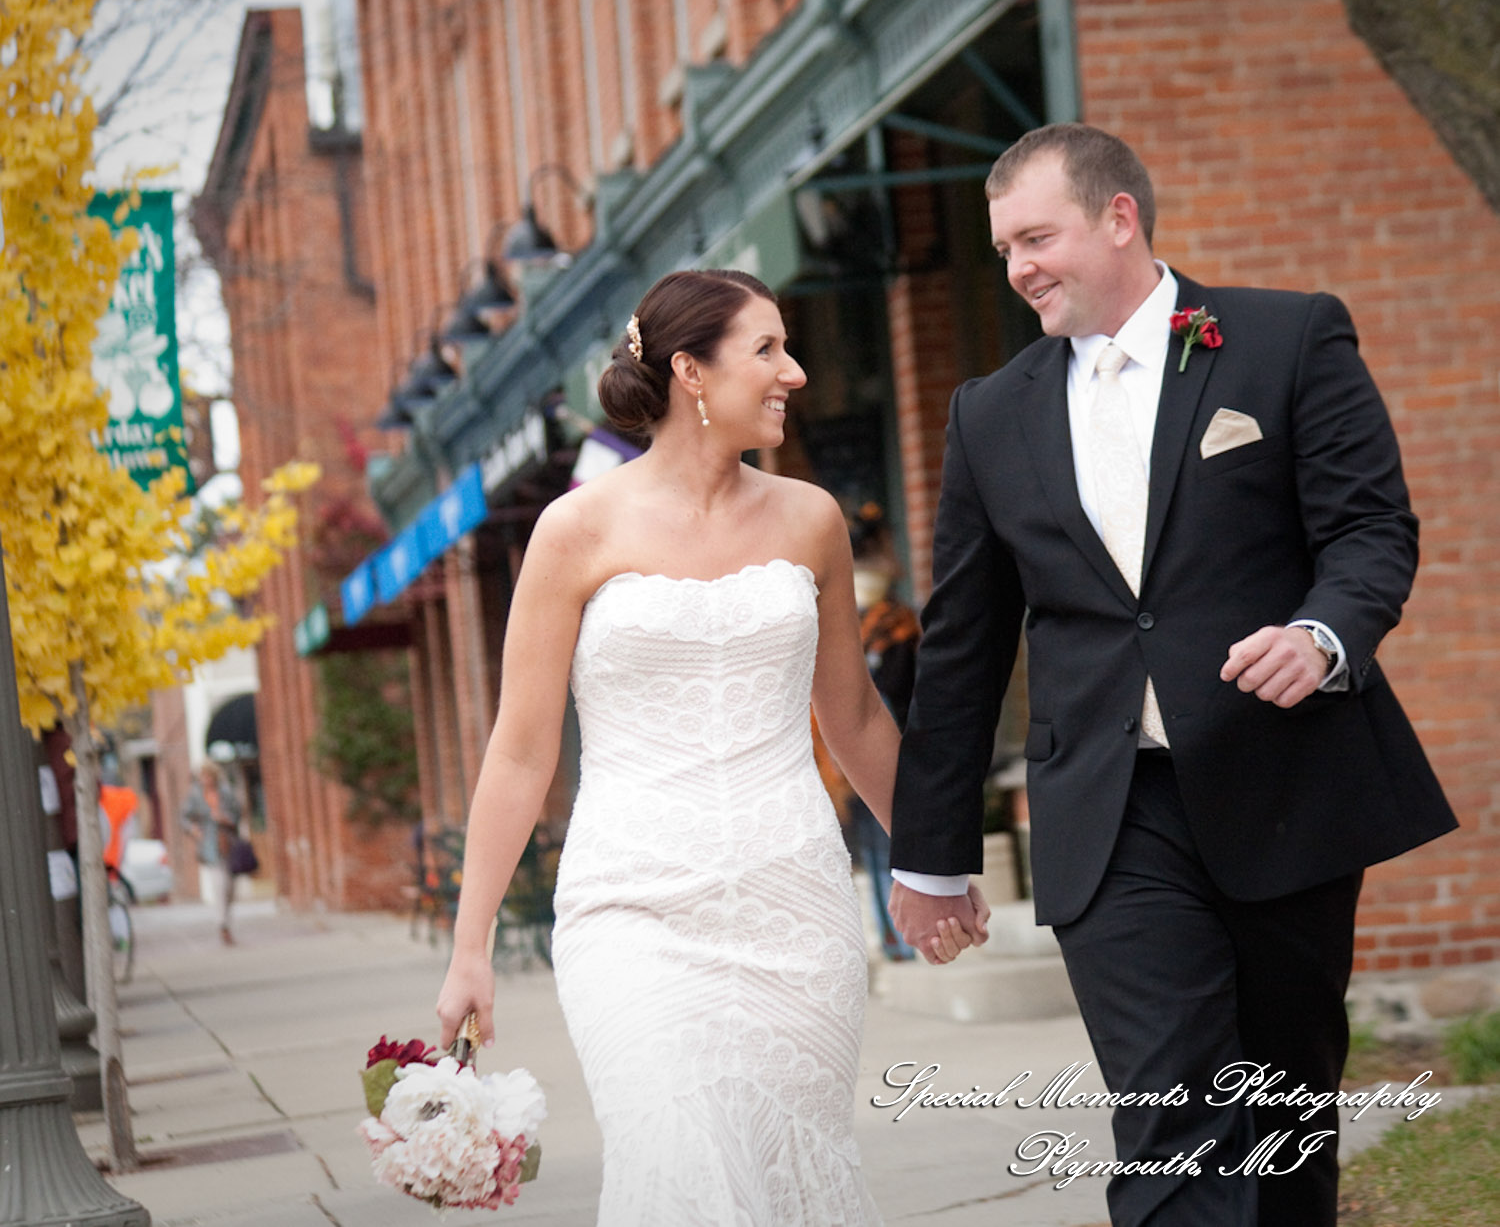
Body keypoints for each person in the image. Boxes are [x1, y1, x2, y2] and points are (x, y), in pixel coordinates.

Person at [888, 124, 1457, 1227]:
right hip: (1109, 809)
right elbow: (962, 644)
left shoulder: (1284, 339)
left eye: (1036, 237)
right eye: (1003, 248)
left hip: (1281, 785)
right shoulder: (990, 413)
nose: (1018, 270)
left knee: (1285, 1106)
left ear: (1118, 217)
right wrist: (931, 852)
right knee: (1170, 1119)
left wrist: (1323, 635)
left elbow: (1371, 531)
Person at [435, 269, 983, 1225]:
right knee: (677, 1159)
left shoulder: (810, 520)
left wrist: (933, 861)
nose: (796, 373)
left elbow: (852, 718)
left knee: (786, 1176)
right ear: (691, 369)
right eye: (767, 350)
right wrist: (468, 945)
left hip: (794, 910)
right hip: (631, 908)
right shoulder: (575, 530)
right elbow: (521, 754)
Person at [846, 504, 919, 962]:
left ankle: (897, 936)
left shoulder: (884, 623)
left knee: (879, 844)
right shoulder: (891, 621)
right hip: (883, 737)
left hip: (873, 738)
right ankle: (898, 936)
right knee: (885, 840)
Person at [181, 764, 243, 945]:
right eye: (203, 776)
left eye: (208, 776)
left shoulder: (226, 792)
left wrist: (225, 818)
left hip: (228, 844)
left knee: (230, 889)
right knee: (220, 885)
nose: (206, 780)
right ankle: (222, 924)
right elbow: (184, 817)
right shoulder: (195, 795)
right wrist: (193, 829)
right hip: (210, 847)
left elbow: (238, 814)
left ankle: (226, 920)